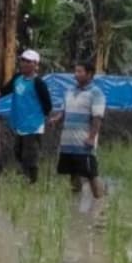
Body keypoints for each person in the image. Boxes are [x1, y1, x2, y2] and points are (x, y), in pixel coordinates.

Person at [0, 49, 53, 183]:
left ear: (35, 65)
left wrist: (40, 117)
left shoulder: (39, 83)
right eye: (23, 60)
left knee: (30, 153)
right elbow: (1, 91)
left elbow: (47, 104)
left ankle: (31, 181)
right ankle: (26, 174)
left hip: (33, 125)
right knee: (18, 151)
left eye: (28, 61)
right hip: (20, 122)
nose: (24, 63)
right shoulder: (17, 78)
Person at [54, 59, 106, 198]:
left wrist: (91, 138)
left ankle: (100, 205)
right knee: (73, 173)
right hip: (68, 142)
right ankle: (75, 205)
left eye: (79, 71)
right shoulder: (69, 91)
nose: (75, 74)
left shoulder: (96, 93)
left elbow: (97, 118)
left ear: (89, 74)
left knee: (91, 174)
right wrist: (56, 119)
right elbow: (63, 112)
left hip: (84, 142)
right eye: (75, 71)